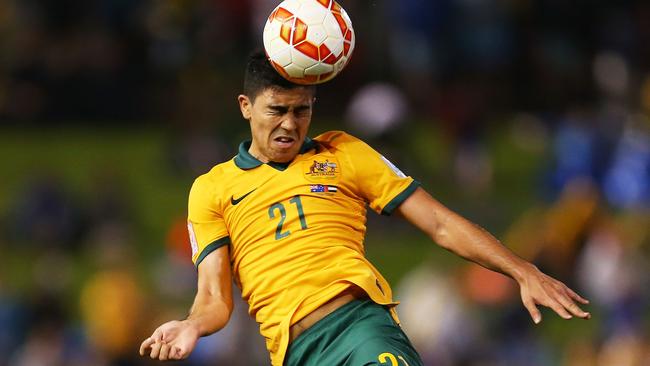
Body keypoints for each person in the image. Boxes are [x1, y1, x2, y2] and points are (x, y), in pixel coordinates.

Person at [139, 51, 591, 366]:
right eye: (277, 110)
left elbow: (436, 222)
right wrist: (191, 326)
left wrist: (521, 270)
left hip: (360, 327)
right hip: (295, 354)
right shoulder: (211, 188)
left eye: (302, 111)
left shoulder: (344, 154)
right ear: (245, 107)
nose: (289, 124)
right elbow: (214, 299)